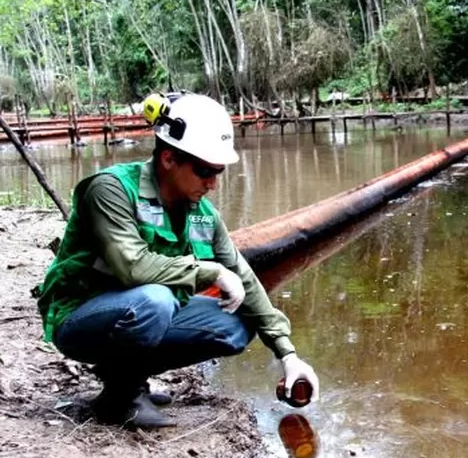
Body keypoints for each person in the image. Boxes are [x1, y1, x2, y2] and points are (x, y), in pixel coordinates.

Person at [35, 93, 320, 429]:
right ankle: (120, 397)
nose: (212, 183)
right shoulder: (110, 190)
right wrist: (210, 272)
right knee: (154, 300)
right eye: (204, 171)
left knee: (238, 325)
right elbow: (133, 268)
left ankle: (131, 379)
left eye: (218, 172)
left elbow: (244, 276)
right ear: (168, 158)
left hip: (143, 310)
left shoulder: (203, 214)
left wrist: (287, 355)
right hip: (79, 316)